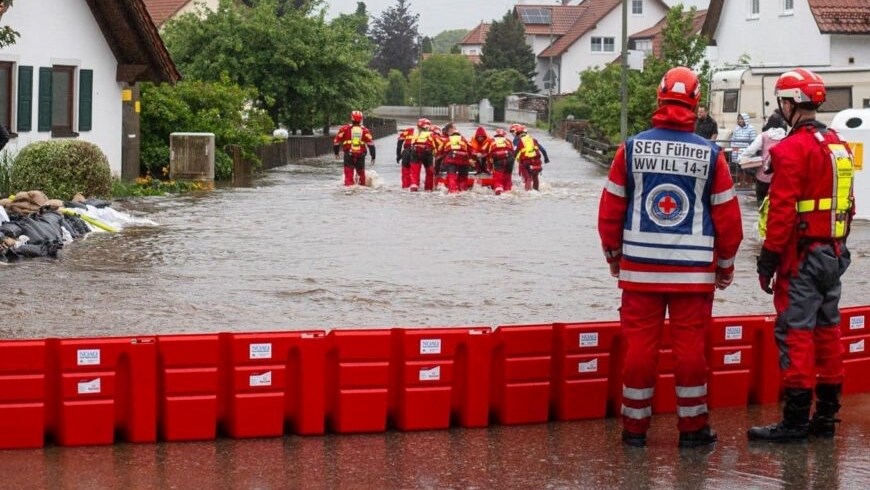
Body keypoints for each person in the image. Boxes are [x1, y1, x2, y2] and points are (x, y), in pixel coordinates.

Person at [597, 66, 743, 449]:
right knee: (691, 351)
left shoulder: (630, 149)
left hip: (640, 271)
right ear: (695, 103)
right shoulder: (712, 155)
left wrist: (615, 256)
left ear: (660, 98)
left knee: (639, 349)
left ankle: (634, 430)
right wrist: (725, 266)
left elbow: (610, 211)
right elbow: (728, 219)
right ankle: (692, 430)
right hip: (693, 274)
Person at [749, 68, 855, 443]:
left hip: (803, 257)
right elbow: (848, 204)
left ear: (790, 104)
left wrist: (768, 261)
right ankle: (825, 419)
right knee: (828, 331)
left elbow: (781, 213)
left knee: (795, 332)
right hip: (835, 253)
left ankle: (794, 422)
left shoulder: (790, 150)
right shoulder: (838, 144)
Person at [739, 110, 788, 205]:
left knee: (761, 204)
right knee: (777, 205)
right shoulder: (786, 137)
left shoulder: (763, 136)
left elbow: (751, 150)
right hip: (780, 177)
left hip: (763, 176)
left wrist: (741, 157)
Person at [333, 110, 375, 187]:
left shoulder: (344, 129)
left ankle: (349, 191)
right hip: (361, 155)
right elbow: (371, 144)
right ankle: (361, 189)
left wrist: (336, 153)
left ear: (351, 118)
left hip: (349, 154)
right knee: (361, 175)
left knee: (348, 175)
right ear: (361, 119)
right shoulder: (365, 130)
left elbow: (336, 142)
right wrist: (373, 156)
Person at [513, 125, 549, 191]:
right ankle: (536, 190)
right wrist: (546, 159)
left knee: (528, 178)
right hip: (537, 161)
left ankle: (528, 192)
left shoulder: (519, 141)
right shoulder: (533, 140)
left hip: (526, 162)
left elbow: (515, 153)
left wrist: (512, 160)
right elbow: (543, 150)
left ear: (518, 134)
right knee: (535, 177)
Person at [397, 118, 430, 189]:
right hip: (419, 151)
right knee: (416, 171)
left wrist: (398, 154)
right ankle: (416, 186)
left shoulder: (408, 130)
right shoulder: (429, 133)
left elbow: (400, 142)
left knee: (406, 171)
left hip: (407, 151)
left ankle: (406, 188)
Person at [408, 119, 439, 192]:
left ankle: (414, 186)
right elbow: (437, 145)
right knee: (429, 172)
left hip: (415, 152)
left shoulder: (415, 134)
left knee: (414, 171)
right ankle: (428, 188)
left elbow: (412, 144)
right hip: (427, 153)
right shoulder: (432, 134)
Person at [440, 123, 472, 193]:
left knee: (452, 176)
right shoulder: (463, 139)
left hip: (451, 160)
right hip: (463, 160)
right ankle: (463, 190)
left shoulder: (447, 139)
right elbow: (470, 149)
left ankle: (452, 191)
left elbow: (440, 150)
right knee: (463, 177)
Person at [487, 128, 514, 195]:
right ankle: (508, 190)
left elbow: (488, 154)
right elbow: (513, 152)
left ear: (496, 135)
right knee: (508, 177)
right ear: (504, 135)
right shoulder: (508, 141)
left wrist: (489, 167)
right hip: (510, 159)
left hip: (498, 160)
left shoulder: (491, 141)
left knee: (497, 178)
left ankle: (499, 192)